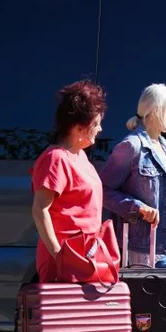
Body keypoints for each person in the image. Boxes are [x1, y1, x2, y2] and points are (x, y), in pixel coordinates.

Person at [100, 84, 166, 276]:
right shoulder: (131, 146)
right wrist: (136, 207)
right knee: (148, 306)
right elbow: (103, 190)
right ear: (157, 110)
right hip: (146, 251)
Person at [30, 80, 108, 283]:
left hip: (86, 257)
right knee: (65, 313)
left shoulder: (80, 155)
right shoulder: (56, 158)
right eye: (96, 123)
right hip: (65, 260)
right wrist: (59, 255)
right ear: (78, 127)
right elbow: (40, 210)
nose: (100, 129)